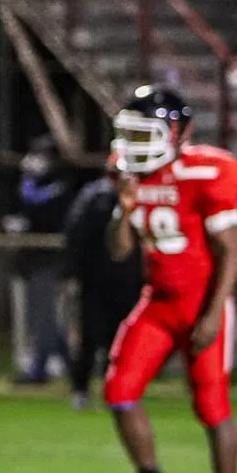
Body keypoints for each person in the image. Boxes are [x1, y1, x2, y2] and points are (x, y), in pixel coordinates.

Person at [103, 84, 237, 473]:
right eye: (130, 134)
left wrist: (213, 314)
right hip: (158, 304)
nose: (134, 146)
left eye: (144, 134)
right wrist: (124, 207)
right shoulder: (131, 175)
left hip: (202, 303)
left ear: (178, 134)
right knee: (119, 390)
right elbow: (118, 251)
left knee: (211, 407)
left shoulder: (209, 171)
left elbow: (229, 252)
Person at [63, 165, 145, 410]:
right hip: (95, 281)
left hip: (128, 281)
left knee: (120, 341)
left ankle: (116, 390)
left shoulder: (140, 197)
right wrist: (72, 273)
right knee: (88, 337)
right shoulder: (93, 198)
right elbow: (76, 238)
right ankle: (81, 389)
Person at [6, 134, 74, 384]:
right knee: (44, 317)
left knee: (45, 317)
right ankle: (74, 367)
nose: (36, 160)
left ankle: (40, 370)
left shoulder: (61, 185)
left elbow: (38, 204)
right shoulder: (36, 184)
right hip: (34, 259)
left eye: (43, 155)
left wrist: (27, 178)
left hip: (52, 258)